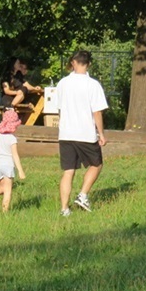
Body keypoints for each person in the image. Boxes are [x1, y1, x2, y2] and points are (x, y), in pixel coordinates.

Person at [56, 49, 108, 216]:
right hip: (85, 133)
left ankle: (64, 209)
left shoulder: (63, 83)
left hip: (66, 133)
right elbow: (97, 112)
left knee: (68, 171)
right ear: (89, 64)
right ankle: (83, 195)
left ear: (73, 62)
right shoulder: (93, 85)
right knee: (97, 164)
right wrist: (101, 133)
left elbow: (59, 109)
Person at [0, 110, 26, 212]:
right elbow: (15, 155)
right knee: (8, 190)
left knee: (2, 187)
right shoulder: (12, 139)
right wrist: (20, 170)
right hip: (7, 165)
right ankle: (4, 212)